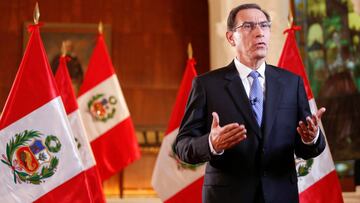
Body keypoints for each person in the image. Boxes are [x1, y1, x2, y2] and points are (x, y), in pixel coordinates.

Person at [173, 3, 326, 203]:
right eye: (248, 26)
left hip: (280, 196)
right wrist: (212, 143)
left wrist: (311, 138)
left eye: (264, 25)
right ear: (231, 37)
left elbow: (306, 148)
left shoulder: (291, 83)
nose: (259, 32)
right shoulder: (207, 85)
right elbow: (182, 145)